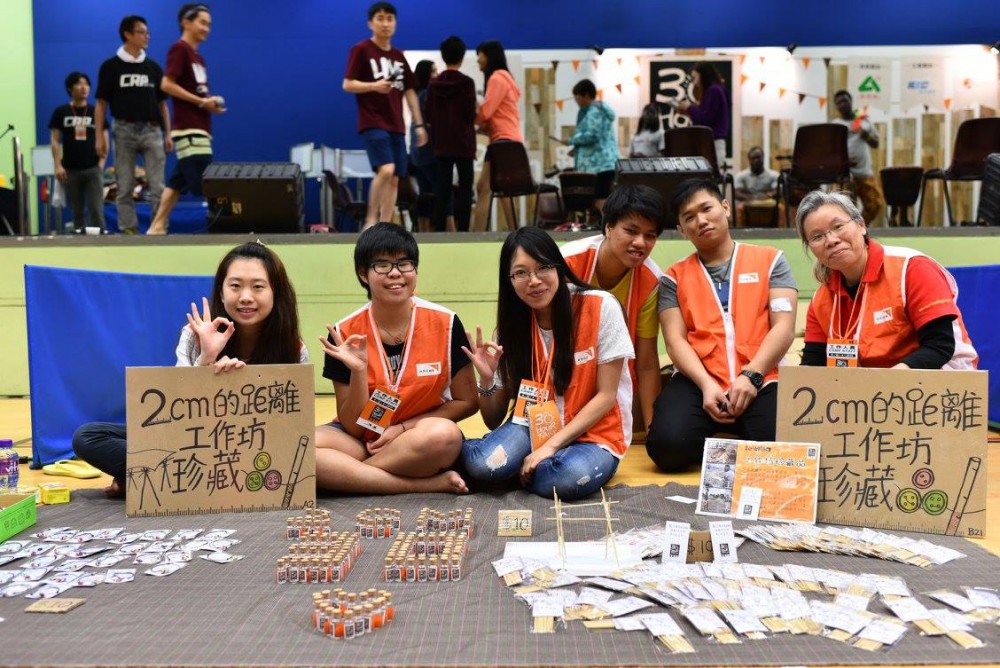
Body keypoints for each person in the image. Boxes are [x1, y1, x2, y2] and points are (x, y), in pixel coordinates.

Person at [72, 241, 308, 498]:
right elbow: (174, 413)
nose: (246, 297)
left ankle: (149, 480)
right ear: (221, 292)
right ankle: (166, 478)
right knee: (88, 436)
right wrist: (206, 361)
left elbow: (292, 428)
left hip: (252, 451)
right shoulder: (194, 334)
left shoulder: (294, 349)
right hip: (188, 442)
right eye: (235, 286)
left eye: (258, 287)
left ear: (276, 292)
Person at [461, 227, 634, 500]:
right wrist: (486, 380)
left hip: (595, 434)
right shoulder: (510, 329)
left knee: (565, 478)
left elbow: (606, 396)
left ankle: (521, 469)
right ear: (509, 280)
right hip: (533, 426)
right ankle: (513, 466)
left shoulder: (601, 307)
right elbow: (493, 420)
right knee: (481, 465)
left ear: (559, 267)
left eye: (543, 267)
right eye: (521, 273)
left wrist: (550, 447)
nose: (534, 280)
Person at [646, 179, 797, 472]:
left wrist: (752, 376)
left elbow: (784, 328)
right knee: (666, 447)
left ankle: (736, 431)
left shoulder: (772, 260)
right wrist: (705, 385)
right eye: (689, 217)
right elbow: (675, 341)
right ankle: (736, 435)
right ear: (681, 230)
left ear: (725, 208)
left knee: (786, 451)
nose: (701, 220)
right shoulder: (672, 278)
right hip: (698, 380)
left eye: (707, 209)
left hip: (763, 376)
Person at [315, 223, 475, 495]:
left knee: (444, 436)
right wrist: (358, 371)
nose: (395, 274)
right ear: (363, 274)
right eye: (382, 265)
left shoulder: (446, 323)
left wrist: (401, 429)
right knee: (299, 447)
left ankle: (350, 475)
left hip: (418, 437)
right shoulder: (343, 335)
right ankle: (424, 485)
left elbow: (467, 401)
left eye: (404, 264)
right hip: (361, 440)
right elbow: (353, 426)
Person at [796, 190, 977, 369]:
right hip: (867, 391)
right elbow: (813, 365)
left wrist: (886, 385)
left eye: (837, 227)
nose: (831, 240)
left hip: (941, 381)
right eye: (817, 236)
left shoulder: (912, 268)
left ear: (861, 225)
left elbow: (939, 346)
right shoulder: (821, 300)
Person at [560, 184, 665, 435]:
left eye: (650, 236)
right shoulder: (566, 264)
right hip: (564, 381)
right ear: (608, 227)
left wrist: (653, 431)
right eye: (631, 231)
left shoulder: (652, 280)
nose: (640, 243)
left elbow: (648, 362)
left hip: (614, 386)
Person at [343, 2, 428, 229]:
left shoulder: (399, 57)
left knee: (395, 178)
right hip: (372, 121)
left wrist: (419, 125)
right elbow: (347, 84)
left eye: (390, 18)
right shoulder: (360, 50)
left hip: (397, 124)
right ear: (370, 23)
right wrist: (374, 86)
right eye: (380, 18)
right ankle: (371, 220)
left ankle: (385, 224)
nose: (385, 23)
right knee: (386, 168)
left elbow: (410, 92)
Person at [147, 3, 225, 235]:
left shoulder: (198, 57)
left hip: (200, 126)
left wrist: (210, 101)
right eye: (202, 22)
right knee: (205, 183)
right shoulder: (179, 49)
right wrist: (201, 102)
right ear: (186, 22)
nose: (206, 28)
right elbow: (166, 84)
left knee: (177, 180)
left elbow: (196, 92)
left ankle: (157, 225)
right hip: (188, 128)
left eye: (209, 24)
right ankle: (220, 227)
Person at [95, 14, 171, 234]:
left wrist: (168, 133)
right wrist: (100, 136)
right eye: (142, 32)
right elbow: (100, 104)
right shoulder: (110, 67)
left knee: (158, 186)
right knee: (124, 186)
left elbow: (163, 104)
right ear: (127, 34)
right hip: (123, 130)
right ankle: (129, 231)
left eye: (148, 32)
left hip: (152, 129)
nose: (147, 36)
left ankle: (159, 228)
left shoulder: (153, 68)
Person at [425, 35, 476, 233]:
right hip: (463, 143)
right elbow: (470, 114)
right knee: (465, 189)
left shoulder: (434, 84)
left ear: (443, 57)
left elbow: (428, 113)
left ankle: (439, 231)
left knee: (442, 191)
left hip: (441, 143)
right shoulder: (467, 83)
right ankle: (464, 231)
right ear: (462, 57)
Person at [472, 40, 522, 232]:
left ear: (489, 56)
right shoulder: (506, 78)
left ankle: (476, 236)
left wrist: (472, 113)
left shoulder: (497, 78)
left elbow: (485, 112)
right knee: (501, 190)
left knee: (484, 188)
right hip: (508, 140)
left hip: (502, 141)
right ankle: (514, 231)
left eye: (480, 55)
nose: (478, 60)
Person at [49, 72, 108, 233]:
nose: (84, 88)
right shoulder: (61, 112)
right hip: (70, 170)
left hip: (93, 169)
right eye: (79, 84)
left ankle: (102, 243)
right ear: (70, 88)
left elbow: (105, 139)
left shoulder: (96, 112)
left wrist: (101, 165)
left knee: (96, 209)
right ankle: (80, 243)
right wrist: (58, 165)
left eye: (86, 84)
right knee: (77, 212)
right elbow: (55, 140)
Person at [565, 79, 619, 213]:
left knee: (600, 199)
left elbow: (592, 135)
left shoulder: (594, 111)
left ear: (586, 95)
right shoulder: (599, 109)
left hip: (599, 165)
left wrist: (572, 140)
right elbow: (598, 138)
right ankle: (606, 226)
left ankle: (607, 226)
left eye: (577, 97)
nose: (576, 101)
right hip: (604, 163)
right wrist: (576, 150)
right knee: (601, 197)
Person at [832, 90, 885, 226]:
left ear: (851, 101)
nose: (842, 105)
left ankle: (858, 227)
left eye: (845, 101)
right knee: (842, 209)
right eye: (839, 103)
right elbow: (831, 149)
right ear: (836, 106)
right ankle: (849, 230)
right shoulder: (835, 124)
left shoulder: (863, 120)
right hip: (844, 174)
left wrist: (866, 135)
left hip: (864, 172)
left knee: (876, 204)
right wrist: (842, 162)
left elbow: (876, 143)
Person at [676, 62, 730, 169]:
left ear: (703, 76)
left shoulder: (714, 90)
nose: (694, 83)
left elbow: (705, 119)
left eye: (695, 78)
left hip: (712, 143)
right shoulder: (717, 90)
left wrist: (689, 108)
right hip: (710, 143)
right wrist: (691, 112)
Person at [408, 60, 436, 233]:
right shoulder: (426, 95)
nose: (436, 74)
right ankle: (450, 231)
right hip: (428, 152)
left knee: (424, 195)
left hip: (416, 154)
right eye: (433, 71)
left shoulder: (417, 95)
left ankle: (424, 231)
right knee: (441, 193)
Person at [734, 146, 779, 227]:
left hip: (768, 201)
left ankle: (781, 234)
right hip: (747, 201)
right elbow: (737, 193)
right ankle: (740, 233)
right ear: (749, 159)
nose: (756, 160)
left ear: (763, 158)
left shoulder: (774, 175)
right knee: (739, 208)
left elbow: (778, 190)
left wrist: (768, 195)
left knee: (781, 208)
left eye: (758, 157)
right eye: (753, 158)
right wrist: (752, 198)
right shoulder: (741, 176)